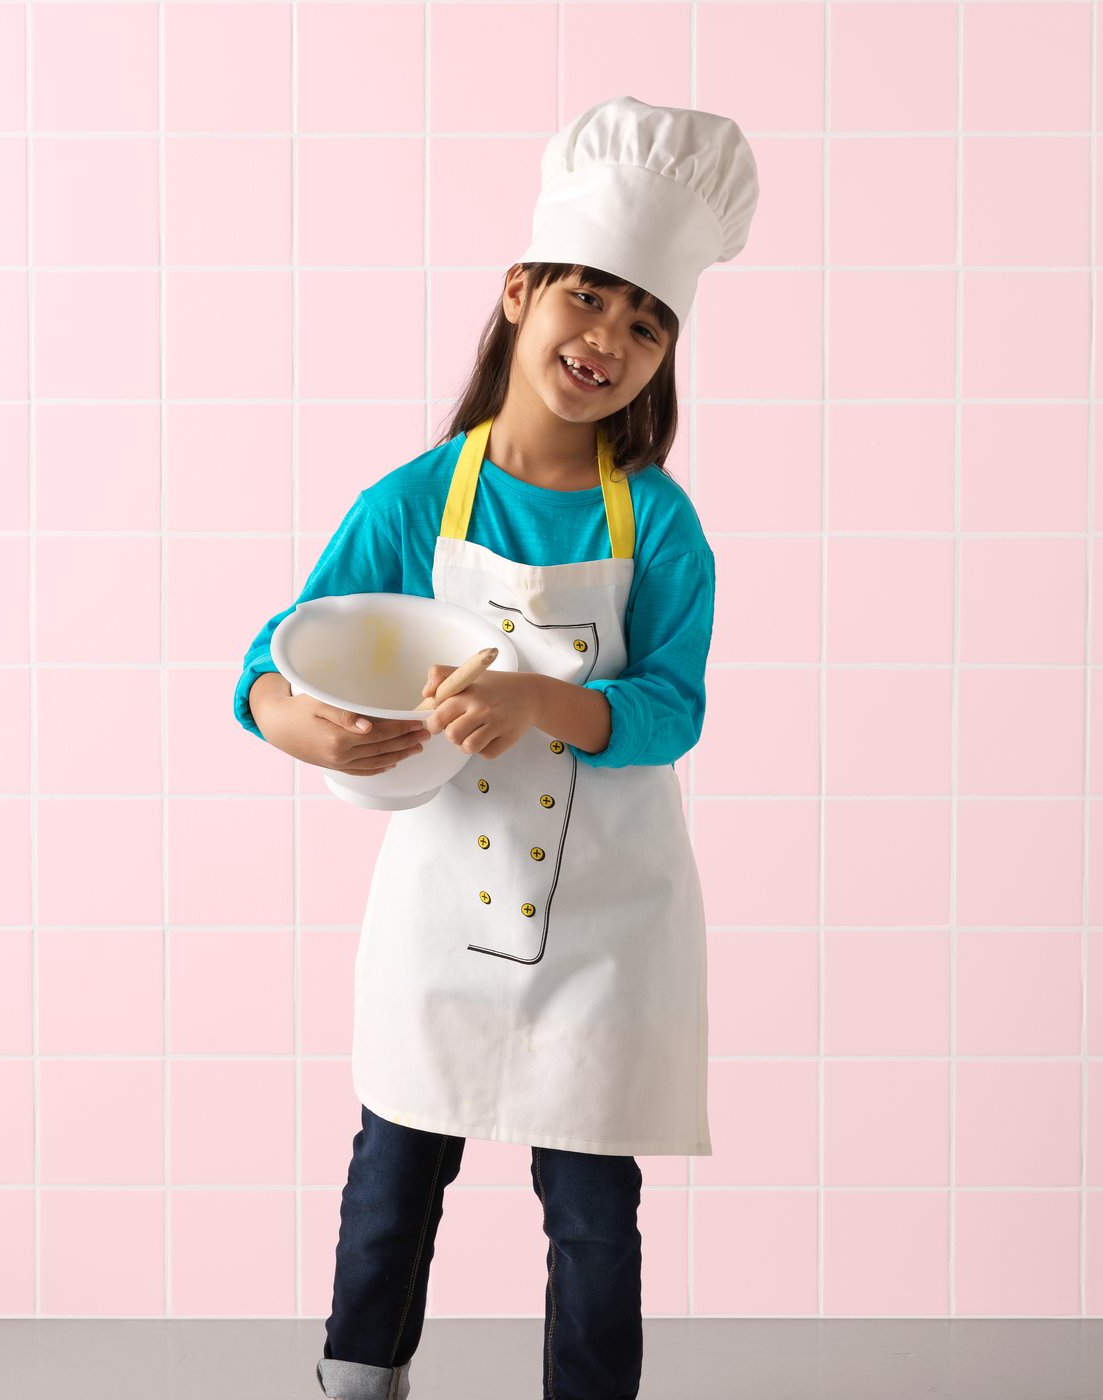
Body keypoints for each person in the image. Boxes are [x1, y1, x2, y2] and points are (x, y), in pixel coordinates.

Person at [233, 95, 759, 1400]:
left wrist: (540, 705)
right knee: (394, 1175)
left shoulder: (664, 528)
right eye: (590, 301)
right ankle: (360, 1381)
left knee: (591, 1203)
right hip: (439, 911)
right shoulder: (415, 502)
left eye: (647, 324)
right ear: (521, 293)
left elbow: (672, 710)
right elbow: (264, 676)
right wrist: (327, 734)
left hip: (608, 928)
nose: (611, 342)